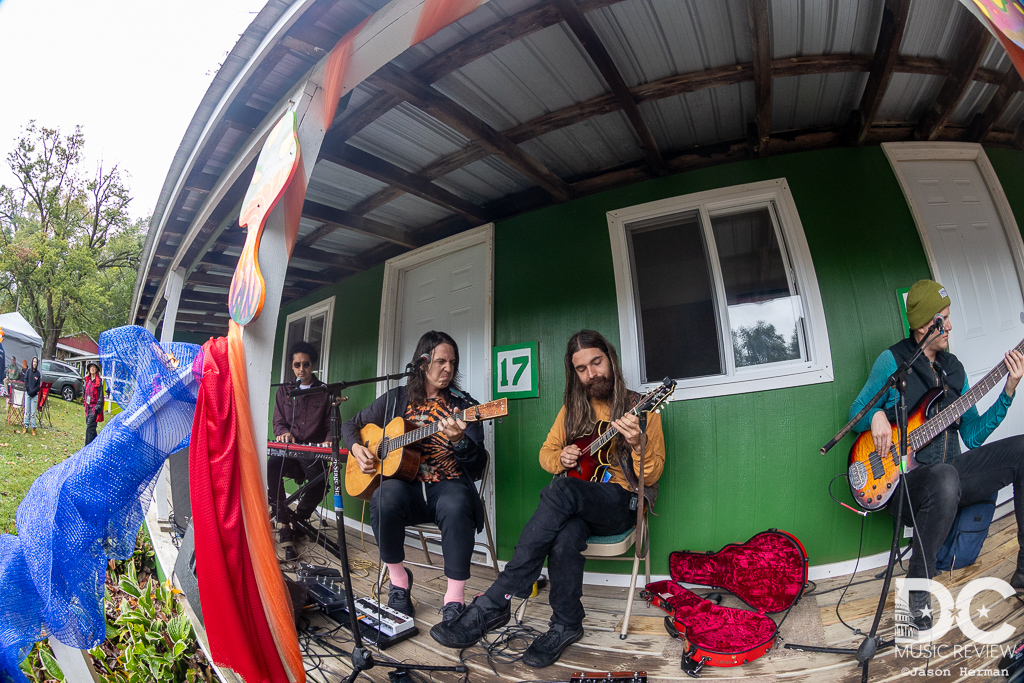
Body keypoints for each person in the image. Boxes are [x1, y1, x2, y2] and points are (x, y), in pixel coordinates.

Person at [430, 330, 665, 668]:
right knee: (566, 534)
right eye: (581, 368)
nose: (591, 373)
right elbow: (546, 454)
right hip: (582, 500)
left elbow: (652, 476)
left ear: (610, 360)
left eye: (596, 363)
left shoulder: (642, 409)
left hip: (623, 501)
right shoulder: (572, 409)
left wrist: (638, 446)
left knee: (562, 490)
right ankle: (567, 624)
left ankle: (498, 597)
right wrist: (564, 458)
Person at [849, 279, 1024, 629]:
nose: (951, 326)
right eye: (944, 318)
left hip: (951, 474)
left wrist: (1007, 392)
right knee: (943, 475)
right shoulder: (893, 361)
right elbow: (855, 413)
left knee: (1020, 450)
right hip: (904, 484)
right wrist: (877, 416)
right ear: (924, 324)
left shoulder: (954, 368)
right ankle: (917, 590)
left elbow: (972, 436)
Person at [341, 331, 488, 623]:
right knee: (384, 496)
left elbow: (478, 466)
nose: (448, 369)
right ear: (422, 364)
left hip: (446, 488)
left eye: (453, 363)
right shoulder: (396, 400)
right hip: (406, 489)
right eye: (441, 361)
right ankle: (399, 581)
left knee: (458, 502)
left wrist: (459, 441)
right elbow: (351, 424)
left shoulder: (465, 407)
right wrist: (357, 448)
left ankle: (454, 597)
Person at [270, 341, 333, 532]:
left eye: (306, 364)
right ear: (292, 366)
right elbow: (278, 422)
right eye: (297, 365)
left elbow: (332, 425)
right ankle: (282, 520)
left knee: (321, 482)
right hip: (290, 452)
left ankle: (298, 520)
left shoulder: (325, 391)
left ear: (312, 365)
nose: (301, 369)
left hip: (313, 453)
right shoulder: (284, 391)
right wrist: (283, 433)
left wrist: (329, 440)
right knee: (272, 467)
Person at [83, 361, 104, 445]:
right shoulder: (87, 380)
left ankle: (87, 446)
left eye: (94, 367)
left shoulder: (98, 382)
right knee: (91, 428)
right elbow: (85, 392)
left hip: (94, 408)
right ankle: (96, 443)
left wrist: (97, 408)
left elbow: (100, 396)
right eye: (91, 367)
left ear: (96, 369)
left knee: (89, 427)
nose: (92, 368)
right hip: (87, 407)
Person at [22, 357, 41, 436]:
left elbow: (38, 386)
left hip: (34, 395)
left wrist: (33, 391)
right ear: (31, 362)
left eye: (36, 362)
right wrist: (28, 390)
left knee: (33, 412)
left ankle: (33, 428)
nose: (35, 363)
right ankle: (25, 426)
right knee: (27, 411)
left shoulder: (38, 374)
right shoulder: (28, 371)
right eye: (34, 362)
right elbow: (25, 381)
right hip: (28, 393)